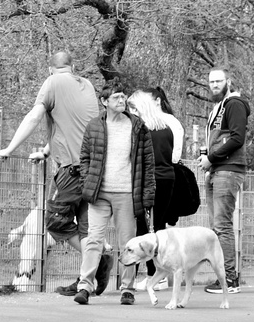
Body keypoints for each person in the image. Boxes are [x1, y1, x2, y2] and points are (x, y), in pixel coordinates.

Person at [0, 50, 103, 293]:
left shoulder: (52, 82)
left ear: (49, 69)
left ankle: (98, 260)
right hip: (93, 169)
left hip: (71, 170)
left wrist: (10, 148)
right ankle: (88, 276)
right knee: (85, 228)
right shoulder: (87, 85)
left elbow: (35, 116)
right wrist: (45, 152)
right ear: (73, 67)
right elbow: (73, 127)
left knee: (54, 221)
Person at [74, 84, 156, 304]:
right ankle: (85, 287)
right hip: (99, 194)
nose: (122, 100)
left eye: (123, 96)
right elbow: (85, 159)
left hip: (127, 194)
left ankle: (127, 289)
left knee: (128, 242)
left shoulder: (138, 126)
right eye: (117, 97)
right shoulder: (94, 127)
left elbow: (148, 163)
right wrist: (87, 184)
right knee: (94, 240)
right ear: (105, 101)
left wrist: (147, 195)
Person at [198, 67, 250, 295]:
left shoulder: (234, 104)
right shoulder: (218, 107)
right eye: (211, 82)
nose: (215, 85)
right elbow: (219, 138)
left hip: (228, 170)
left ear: (228, 81)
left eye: (219, 81)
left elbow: (237, 138)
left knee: (222, 226)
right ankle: (224, 277)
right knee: (217, 227)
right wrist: (208, 160)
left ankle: (230, 279)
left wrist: (211, 158)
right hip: (218, 169)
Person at [128, 87, 184, 291]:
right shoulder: (166, 128)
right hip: (168, 180)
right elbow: (172, 157)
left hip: (151, 182)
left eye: (133, 109)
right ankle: (156, 274)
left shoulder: (143, 131)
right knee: (158, 228)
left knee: (145, 229)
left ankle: (152, 275)